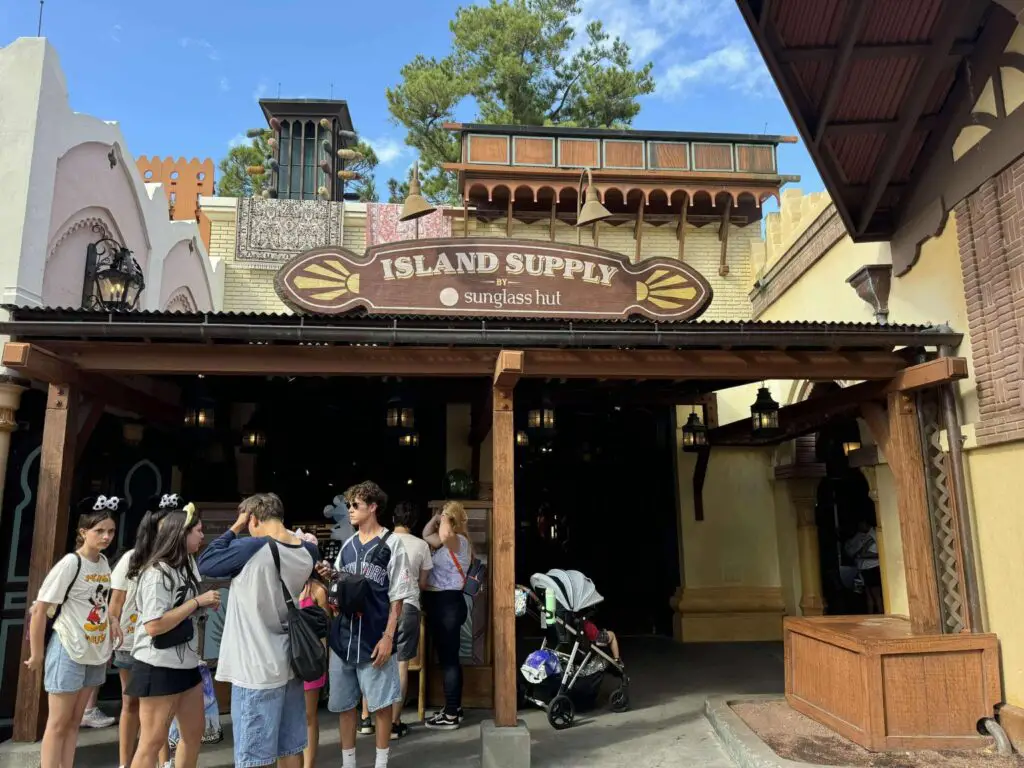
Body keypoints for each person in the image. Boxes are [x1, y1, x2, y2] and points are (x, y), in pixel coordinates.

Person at [197, 493, 319, 768]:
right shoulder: (308, 551)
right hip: (290, 662)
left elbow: (206, 561)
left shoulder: (250, 548)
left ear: (253, 518)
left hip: (254, 667)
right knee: (291, 748)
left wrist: (235, 527)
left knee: (254, 756)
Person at [319, 481, 415, 768]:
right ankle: (348, 763)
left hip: (375, 636)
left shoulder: (392, 544)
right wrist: (330, 577)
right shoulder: (347, 547)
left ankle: (380, 763)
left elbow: (398, 596)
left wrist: (389, 637)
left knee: (382, 706)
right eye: (349, 505)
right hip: (344, 638)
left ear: (373, 507)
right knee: (344, 706)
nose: (350, 510)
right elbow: (341, 591)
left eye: (355, 505)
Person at [25, 495, 122, 768]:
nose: (106, 537)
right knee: (57, 724)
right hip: (68, 647)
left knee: (73, 724)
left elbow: (99, 602)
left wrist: (112, 621)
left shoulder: (103, 563)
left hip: (94, 650)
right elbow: (41, 608)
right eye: (99, 531)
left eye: (111, 531)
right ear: (83, 532)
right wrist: (37, 654)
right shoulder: (71, 563)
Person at [127, 501, 220, 768]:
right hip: (158, 665)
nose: (202, 536)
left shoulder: (188, 565)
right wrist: (196, 603)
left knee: (193, 732)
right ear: (182, 533)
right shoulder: (157, 573)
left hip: (186, 663)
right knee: (152, 741)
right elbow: (153, 625)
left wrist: (200, 605)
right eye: (198, 531)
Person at [109, 498, 175, 768]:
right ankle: (126, 762)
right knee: (131, 703)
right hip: (130, 639)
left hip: (160, 640)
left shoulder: (173, 560)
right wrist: (111, 628)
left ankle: (163, 761)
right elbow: (116, 600)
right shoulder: (131, 558)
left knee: (161, 709)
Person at [358, 501, 432, 739]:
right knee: (401, 665)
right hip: (409, 605)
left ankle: (366, 718)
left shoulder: (382, 541)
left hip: (380, 608)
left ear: (392, 519)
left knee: (373, 661)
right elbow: (422, 584)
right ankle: (394, 723)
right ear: (414, 522)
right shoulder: (421, 545)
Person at [422, 500, 472, 731]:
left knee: (449, 660)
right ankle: (454, 707)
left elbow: (441, 534)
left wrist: (444, 516)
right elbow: (426, 534)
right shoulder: (449, 544)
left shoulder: (457, 541)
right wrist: (437, 516)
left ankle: (451, 713)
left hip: (447, 604)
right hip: (445, 604)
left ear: (450, 521)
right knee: (448, 658)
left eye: (444, 517)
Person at [296, 530, 329, 768]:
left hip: (310, 659)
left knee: (308, 716)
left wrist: (323, 665)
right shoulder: (283, 585)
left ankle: (309, 765)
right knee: (289, 716)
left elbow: (325, 630)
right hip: (285, 658)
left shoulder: (318, 590)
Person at [845, 518, 882, 614]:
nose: (858, 527)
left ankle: (881, 614)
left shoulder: (874, 535)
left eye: (860, 524)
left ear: (865, 523)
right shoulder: (861, 535)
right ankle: (871, 615)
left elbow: (874, 554)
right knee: (868, 594)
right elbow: (851, 550)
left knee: (876, 595)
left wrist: (861, 553)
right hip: (863, 568)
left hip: (872, 568)